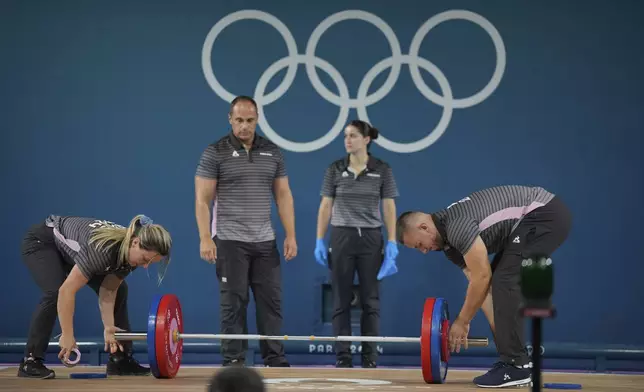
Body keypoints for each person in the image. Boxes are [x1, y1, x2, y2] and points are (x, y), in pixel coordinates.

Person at [395, 185, 572, 388]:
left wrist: (462, 321)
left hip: (543, 212)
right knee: (499, 281)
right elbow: (483, 289)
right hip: (532, 220)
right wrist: (503, 345)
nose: (424, 251)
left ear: (424, 227)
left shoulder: (455, 226)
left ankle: (517, 366)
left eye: (419, 245)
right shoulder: (450, 249)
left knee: (505, 279)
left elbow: (482, 276)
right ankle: (513, 360)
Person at [194, 95, 297, 367]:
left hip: (265, 241)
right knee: (234, 304)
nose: (244, 126)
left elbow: (284, 196)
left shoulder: (273, 151)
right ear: (230, 119)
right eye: (239, 120)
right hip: (229, 241)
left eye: (250, 120)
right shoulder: (214, 152)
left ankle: (274, 358)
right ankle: (234, 360)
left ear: (257, 120)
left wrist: (291, 234)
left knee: (270, 303)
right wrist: (205, 237)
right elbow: (202, 199)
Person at [18, 213, 172, 379]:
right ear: (135, 242)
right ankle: (30, 361)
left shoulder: (129, 256)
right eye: (144, 259)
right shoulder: (103, 249)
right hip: (44, 242)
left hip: (72, 252)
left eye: (149, 263)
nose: (144, 266)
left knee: (120, 290)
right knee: (55, 292)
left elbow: (109, 290)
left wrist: (109, 327)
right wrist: (67, 334)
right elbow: (66, 291)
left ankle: (120, 359)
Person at [314, 120, 400, 368]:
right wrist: (320, 239)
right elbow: (326, 205)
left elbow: (388, 206)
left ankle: (369, 357)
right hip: (341, 237)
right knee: (340, 300)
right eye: (345, 136)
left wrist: (392, 241)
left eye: (352, 135)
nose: (347, 140)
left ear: (366, 139)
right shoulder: (334, 169)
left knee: (370, 301)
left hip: (371, 239)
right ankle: (343, 357)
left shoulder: (382, 169)